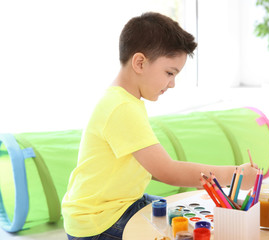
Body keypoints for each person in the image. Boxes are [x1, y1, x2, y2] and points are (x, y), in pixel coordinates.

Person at [61, 12, 258, 240]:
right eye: (169, 73)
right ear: (140, 63)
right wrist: (236, 175)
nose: (172, 84)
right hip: (100, 220)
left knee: (188, 214)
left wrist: (202, 179)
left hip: (121, 204)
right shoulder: (121, 108)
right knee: (184, 232)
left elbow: (145, 166)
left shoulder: (126, 101)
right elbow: (166, 170)